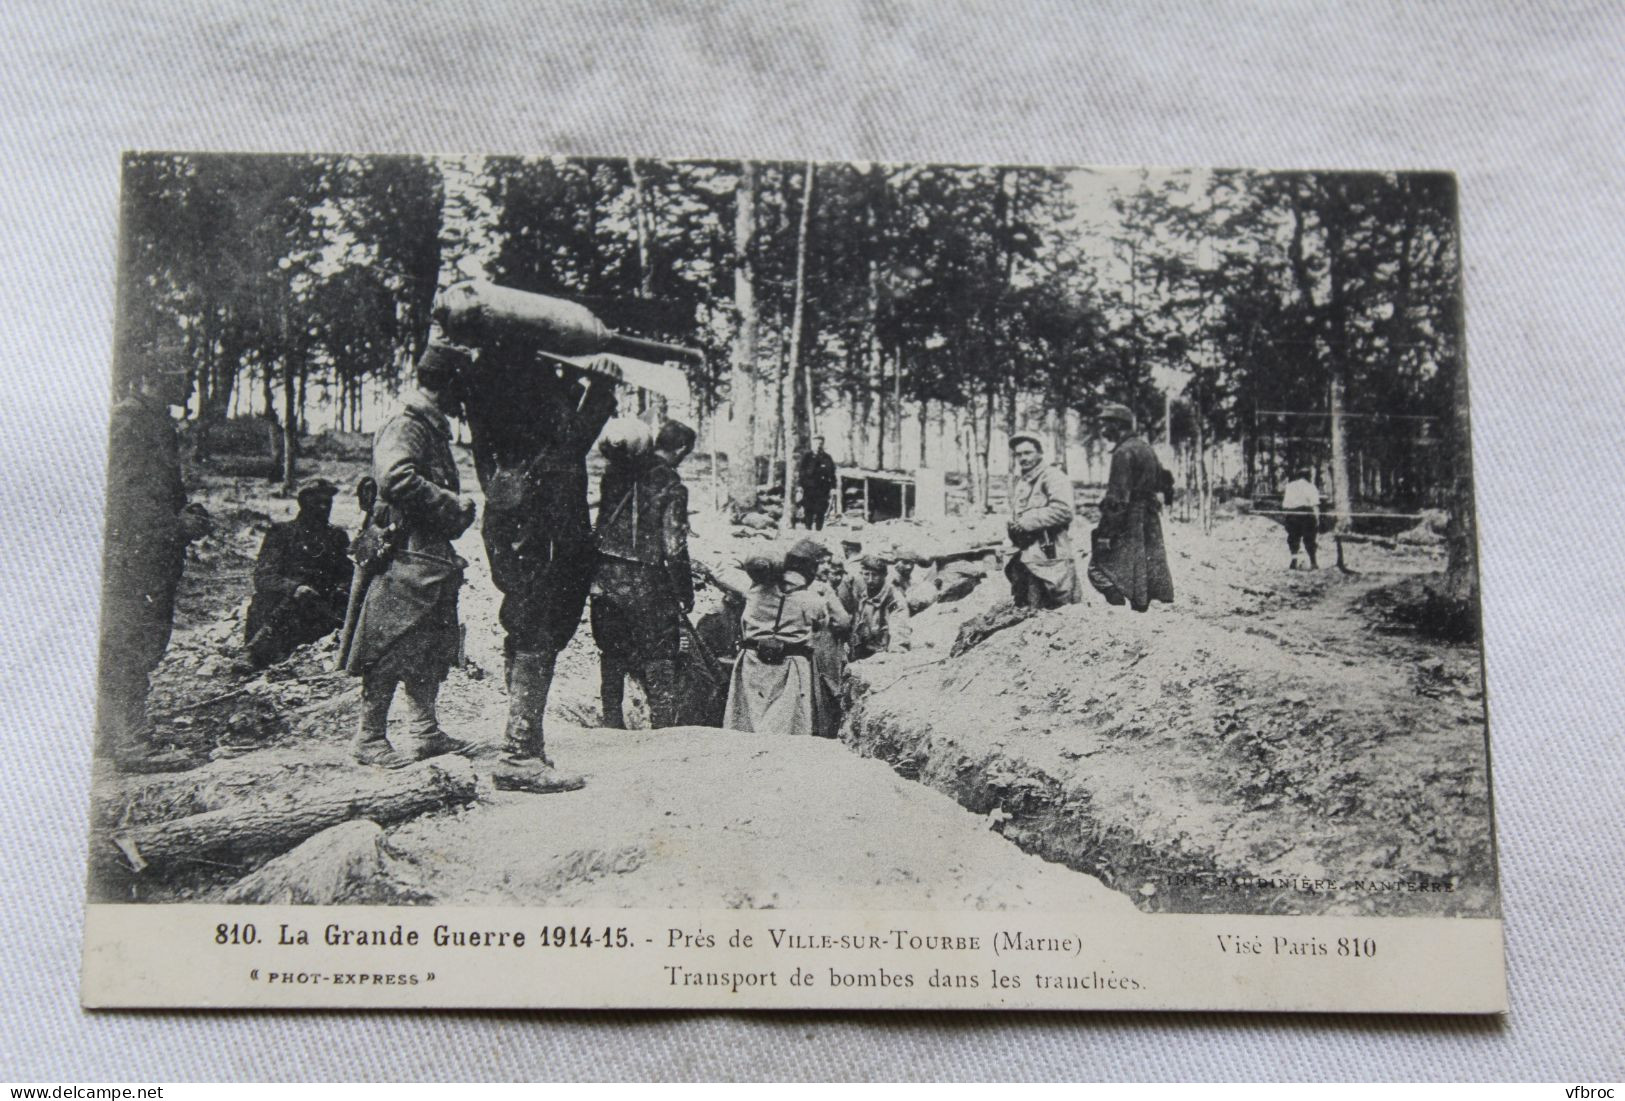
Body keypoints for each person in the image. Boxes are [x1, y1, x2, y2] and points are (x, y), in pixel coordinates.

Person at [452, 338, 618, 792]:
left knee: (525, 625)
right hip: (543, 527)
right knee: (539, 630)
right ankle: (519, 755)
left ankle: (526, 743)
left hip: (513, 522)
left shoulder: (483, 384)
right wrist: (599, 389)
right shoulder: (523, 391)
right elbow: (565, 446)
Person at [343, 348, 477, 769]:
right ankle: (369, 737)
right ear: (447, 384)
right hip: (404, 552)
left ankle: (424, 731)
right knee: (391, 641)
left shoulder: (428, 426)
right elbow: (396, 477)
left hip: (427, 552)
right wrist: (452, 506)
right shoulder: (408, 424)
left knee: (430, 642)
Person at [96, 342, 212, 772]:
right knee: (128, 643)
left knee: (140, 641)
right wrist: (173, 527)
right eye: (183, 375)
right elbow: (120, 500)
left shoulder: (155, 422)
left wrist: (185, 514)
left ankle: (115, 736)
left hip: (152, 555)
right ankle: (129, 743)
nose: (191, 384)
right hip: (132, 559)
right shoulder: (128, 421)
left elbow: (156, 494)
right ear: (157, 376)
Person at [591, 419, 697, 729]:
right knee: (658, 653)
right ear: (681, 449)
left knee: (611, 650)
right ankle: (662, 727)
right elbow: (674, 546)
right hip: (646, 581)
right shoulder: (672, 485)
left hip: (604, 578)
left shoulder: (615, 474)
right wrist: (684, 591)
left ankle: (612, 722)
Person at [723, 540, 829, 737]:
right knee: (786, 724)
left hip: (752, 660)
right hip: (791, 665)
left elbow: (724, 571)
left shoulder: (755, 590)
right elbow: (822, 624)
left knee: (747, 720)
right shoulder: (813, 600)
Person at [243, 478, 352, 667]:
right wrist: (295, 588)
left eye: (328, 503)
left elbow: (347, 573)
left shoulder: (336, 536)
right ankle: (253, 652)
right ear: (303, 503)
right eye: (317, 502)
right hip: (286, 608)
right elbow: (263, 577)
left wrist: (342, 587)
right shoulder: (281, 533)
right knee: (273, 602)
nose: (323, 508)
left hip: (321, 606)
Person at [1088, 404, 1174, 612]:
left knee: (1098, 568)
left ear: (1118, 425)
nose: (1103, 429)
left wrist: (1106, 533)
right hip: (1149, 519)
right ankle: (1138, 611)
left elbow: (1117, 498)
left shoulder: (1123, 452)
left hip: (1129, 520)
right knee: (1141, 570)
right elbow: (1166, 479)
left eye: (1107, 424)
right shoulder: (1145, 447)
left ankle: (1119, 615)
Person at [1004, 431, 1082, 609]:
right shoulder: (1021, 481)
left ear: (1039, 453)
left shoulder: (1053, 477)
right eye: (1019, 454)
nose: (1023, 458)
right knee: (1028, 611)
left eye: (1028, 452)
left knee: (1062, 608)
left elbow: (1064, 510)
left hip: (1050, 555)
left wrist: (1028, 521)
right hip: (1026, 557)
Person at [807, 550, 851, 738]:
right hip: (823, 644)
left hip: (802, 647)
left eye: (827, 563)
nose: (826, 567)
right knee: (826, 688)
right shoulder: (823, 588)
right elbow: (842, 621)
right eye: (821, 563)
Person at [839, 554, 912, 661]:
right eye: (866, 574)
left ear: (884, 575)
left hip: (882, 656)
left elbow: (900, 631)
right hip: (862, 653)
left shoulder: (894, 599)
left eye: (875, 575)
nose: (870, 580)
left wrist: (894, 653)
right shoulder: (864, 594)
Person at [1281, 468, 1322, 569]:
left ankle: (1294, 561)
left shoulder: (1290, 486)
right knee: (1309, 538)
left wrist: (1287, 518)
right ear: (1308, 476)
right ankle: (1313, 562)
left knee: (1293, 538)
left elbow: (1285, 504)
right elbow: (1315, 504)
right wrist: (1317, 518)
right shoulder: (1310, 487)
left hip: (1292, 514)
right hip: (1306, 514)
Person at [796, 435, 837, 530]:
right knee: (808, 509)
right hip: (809, 488)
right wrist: (800, 487)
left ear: (823, 444)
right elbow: (801, 473)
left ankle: (819, 530)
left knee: (821, 510)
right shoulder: (807, 457)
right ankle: (808, 529)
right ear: (812, 444)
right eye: (816, 443)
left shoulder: (827, 458)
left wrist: (833, 488)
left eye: (820, 443)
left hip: (823, 488)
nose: (818, 445)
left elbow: (832, 474)